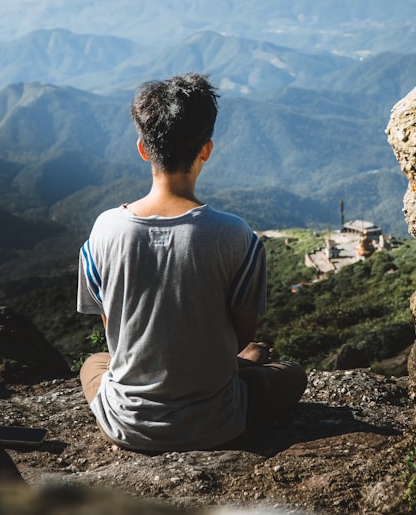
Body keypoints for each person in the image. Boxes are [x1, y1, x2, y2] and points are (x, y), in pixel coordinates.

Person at [76, 73, 307, 452]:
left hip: (127, 424)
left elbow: (115, 334)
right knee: (292, 373)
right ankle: (243, 368)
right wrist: (237, 359)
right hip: (218, 421)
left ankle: (241, 367)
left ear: (143, 149)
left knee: (95, 362)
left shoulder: (103, 230)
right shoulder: (236, 236)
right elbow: (242, 334)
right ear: (206, 149)